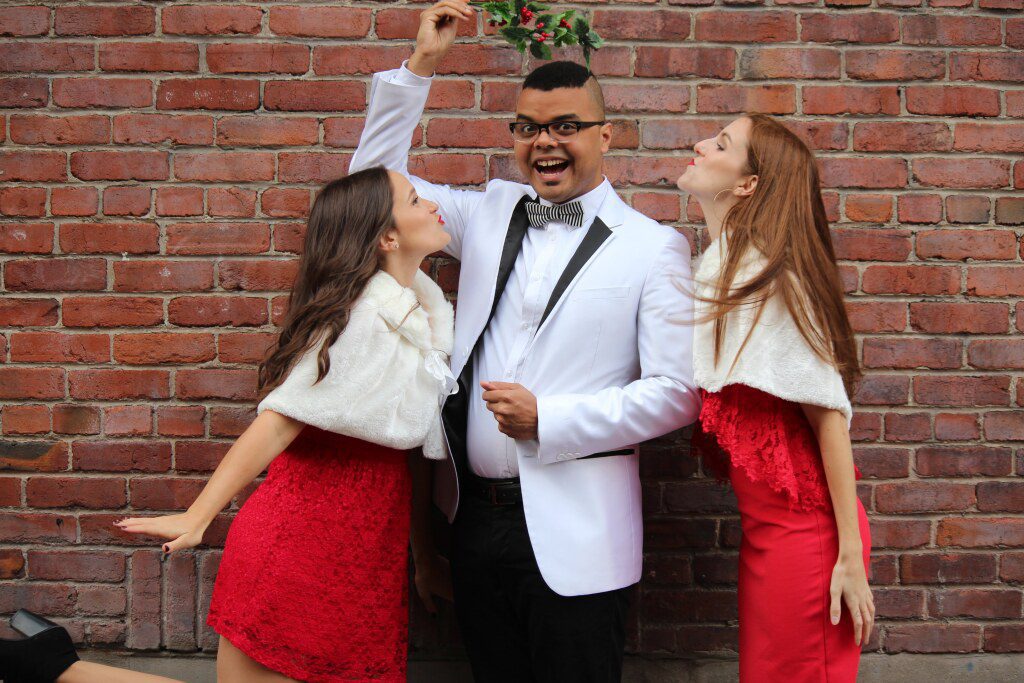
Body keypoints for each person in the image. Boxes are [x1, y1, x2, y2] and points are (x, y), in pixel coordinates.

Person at [349, 2, 701, 681]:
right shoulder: (487, 210)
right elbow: (369, 190)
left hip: (580, 540)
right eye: (530, 127)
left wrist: (553, 419)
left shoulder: (653, 248)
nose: (546, 141)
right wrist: (419, 67)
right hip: (474, 524)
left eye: (567, 126)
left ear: (606, 135)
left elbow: (678, 392)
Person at [13, 166, 454, 683]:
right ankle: (51, 667)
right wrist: (196, 517)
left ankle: (46, 663)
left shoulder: (421, 322)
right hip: (300, 545)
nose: (431, 204)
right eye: (415, 199)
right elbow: (279, 422)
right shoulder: (362, 319)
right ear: (387, 236)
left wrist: (423, 556)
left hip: (363, 555)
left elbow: (413, 449)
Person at [678, 114, 875, 682]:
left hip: (809, 539)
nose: (700, 145)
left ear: (747, 185)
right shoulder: (725, 268)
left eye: (720, 144)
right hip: (768, 536)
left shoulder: (772, 278)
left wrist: (848, 558)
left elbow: (829, 415)